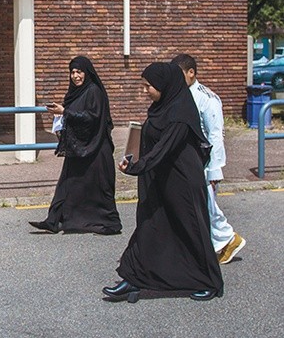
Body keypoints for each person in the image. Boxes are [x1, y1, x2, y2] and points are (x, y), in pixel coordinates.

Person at [103, 62, 223, 303]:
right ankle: (132, 277)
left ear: (164, 85)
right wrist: (134, 158)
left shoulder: (180, 113)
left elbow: (164, 149)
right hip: (161, 179)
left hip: (183, 184)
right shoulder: (162, 107)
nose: (146, 90)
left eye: (149, 86)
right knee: (150, 226)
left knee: (190, 231)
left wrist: (137, 167)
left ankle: (209, 281)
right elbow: (149, 141)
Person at [29, 56, 122, 235]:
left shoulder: (94, 91)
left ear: (87, 73)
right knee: (67, 183)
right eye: (72, 72)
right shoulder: (75, 92)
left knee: (99, 188)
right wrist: (61, 115)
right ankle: (54, 220)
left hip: (95, 148)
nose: (75, 76)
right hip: (79, 146)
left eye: (79, 72)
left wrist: (65, 112)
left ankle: (110, 222)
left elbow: (93, 118)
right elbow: (75, 114)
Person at [171, 54, 246, 264]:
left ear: (191, 73)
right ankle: (213, 244)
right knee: (198, 207)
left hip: (204, 162)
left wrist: (215, 170)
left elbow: (216, 135)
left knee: (207, 206)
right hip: (187, 162)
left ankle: (229, 239)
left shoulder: (207, 98)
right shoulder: (179, 95)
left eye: (179, 75)